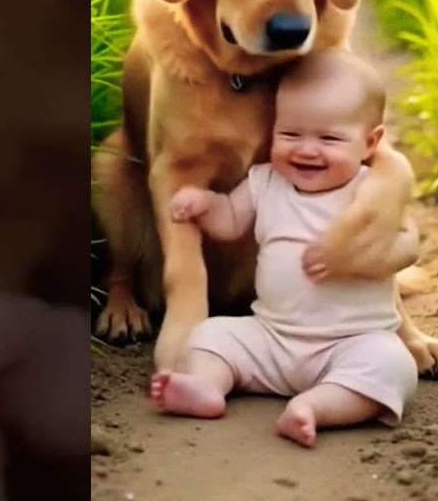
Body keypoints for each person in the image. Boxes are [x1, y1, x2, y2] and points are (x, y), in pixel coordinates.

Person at [152, 48, 420, 448]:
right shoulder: (265, 181)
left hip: (350, 341)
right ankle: (205, 388)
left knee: (393, 364)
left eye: (329, 138)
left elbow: (406, 248)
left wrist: (352, 260)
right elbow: (229, 219)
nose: (306, 149)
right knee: (212, 334)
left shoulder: (367, 190)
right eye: (290, 134)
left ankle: (316, 407)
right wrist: (203, 204)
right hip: (271, 337)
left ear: (370, 142)